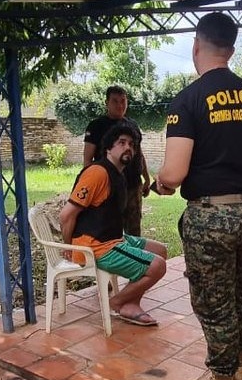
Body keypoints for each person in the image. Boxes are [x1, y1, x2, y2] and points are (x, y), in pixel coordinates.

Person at [155, 12, 242, 380]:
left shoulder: (188, 100)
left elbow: (174, 172)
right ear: (232, 48)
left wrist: (162, 180)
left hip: (212, 217)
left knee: (214, 298)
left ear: (196, 45)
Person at [60, 124, 166, 326]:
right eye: (122, 143)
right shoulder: (97, 173)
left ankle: (130, 303)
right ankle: (116, 302)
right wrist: (69, 248)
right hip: (95, 246)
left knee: (161, 251)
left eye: (132, 145)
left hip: (114, 238)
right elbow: (66, 215)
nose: (129, 148)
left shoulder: (118, 173)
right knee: (157, 265)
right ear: (109, 147)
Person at [83, 85, 150, 236]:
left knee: (134, 229)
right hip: (108, 186)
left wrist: (145, 177)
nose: (120, 105)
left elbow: (139, 153)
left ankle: (134, 258)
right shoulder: (96, 126)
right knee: (110, 229)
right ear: (107, 103)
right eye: (115, 101)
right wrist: (89, 185)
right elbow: (87, 159)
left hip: (133, 185)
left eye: (123, 101)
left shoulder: (132, 125)